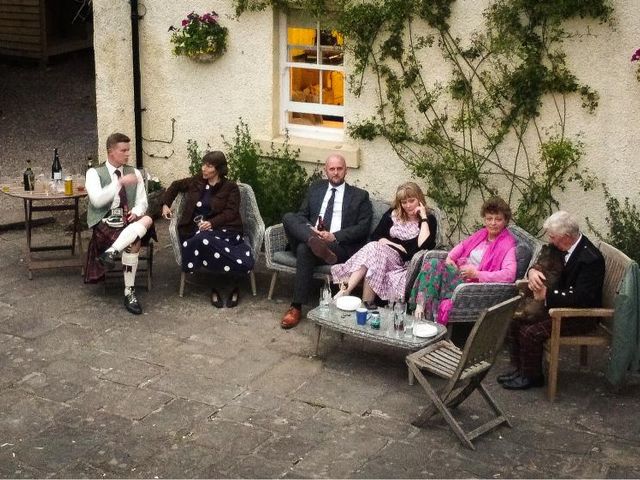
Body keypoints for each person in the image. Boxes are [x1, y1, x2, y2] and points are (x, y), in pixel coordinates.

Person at [498, 211, 605, 390]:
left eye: (553, 236)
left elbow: (581, 297)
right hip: (560, 306)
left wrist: (547, 294)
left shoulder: (590, 260)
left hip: (580, 316)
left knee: (531, 332)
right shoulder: (561, 246)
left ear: (567, 237)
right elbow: (542, 258)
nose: (550, 240)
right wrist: (533, 271)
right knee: (515, 321)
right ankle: (519, 369)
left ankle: (532, 377)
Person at [280, 153, 373, 329]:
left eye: (339, 169)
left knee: (303, 249)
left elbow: (363, 228)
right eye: (332, 169)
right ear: (326, 171)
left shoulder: (360, 196)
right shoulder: (316, 189)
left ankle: (296, 307)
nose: (336, 172)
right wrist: (311, 231)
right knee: (289, 217)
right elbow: (301, 216)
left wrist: (334, 236)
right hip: (312, 236)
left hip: (336, 247)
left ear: (346, 170)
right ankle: (312, 240)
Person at [161, 151, 254, 308]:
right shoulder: (196, 182)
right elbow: (176, 185)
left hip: (224, 229)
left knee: (204, 241)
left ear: (218, 169)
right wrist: (165, 203)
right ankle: (231, 279)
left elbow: (230, 212)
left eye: (209, 166)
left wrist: (211, 223)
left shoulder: (230, 187)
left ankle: (222, 284)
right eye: (203, 164)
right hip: (195, 230)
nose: (203, 168)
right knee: (202, 239)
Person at [410, 196, 517, 325]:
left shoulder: (507, 244)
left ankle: (421, 311)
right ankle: (421, 309)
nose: (493, 223)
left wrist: (477, 274)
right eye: (489, 219)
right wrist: (450, 258)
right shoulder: (482, 234)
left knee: (434, 267)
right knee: (433, 263)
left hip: (473, 287)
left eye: (498, 219)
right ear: (485, 219)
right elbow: (462, 246)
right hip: (460, 274)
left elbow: (509, 275)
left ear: (505, 221)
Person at [331, 182, 437, 307]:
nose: (407, 206)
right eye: (404, 202)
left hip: (404, 263)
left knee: (374, 249)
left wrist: (423, 217)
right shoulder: (393, 214)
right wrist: (393, 244)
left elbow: (423, 247)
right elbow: (376, 236)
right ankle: (366, 304)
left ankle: (345, 292)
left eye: (411, 201)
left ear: (419, 199)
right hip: (382, 257)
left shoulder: (429, 220)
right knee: (375, 253)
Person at [84, 132, 155, 315]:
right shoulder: (94, 173)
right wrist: (119, 182)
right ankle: (129, 291)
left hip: (129, 220)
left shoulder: (134, 172)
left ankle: (111, 253)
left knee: (147, 218)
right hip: (105, 221)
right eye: (123, 150)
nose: (127, 154)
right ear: (111, 152)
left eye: (128, 150)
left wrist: (136, 211)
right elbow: (97, 201)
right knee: (134, 240)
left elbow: (142, 202)